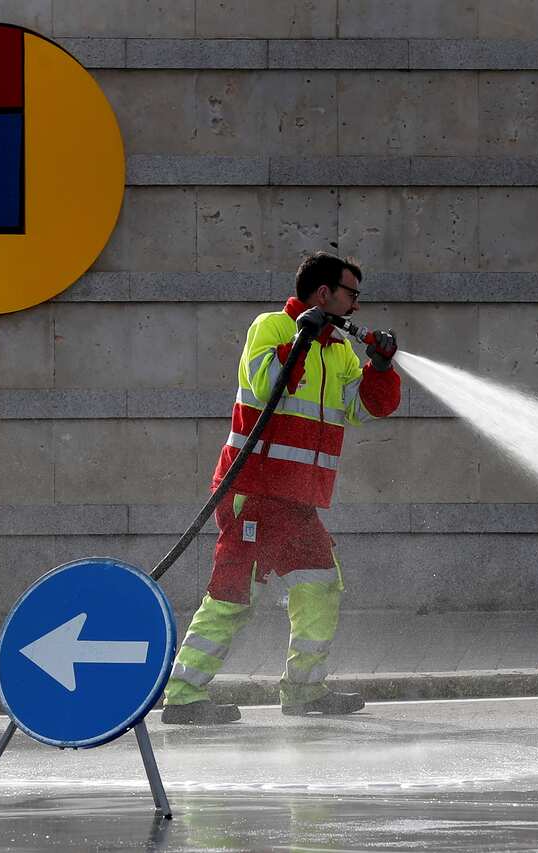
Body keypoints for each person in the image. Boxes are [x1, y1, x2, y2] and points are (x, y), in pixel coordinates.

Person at [161, 251, 400, 724]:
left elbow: (365, 409)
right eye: (351, 294)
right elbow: (269, 383)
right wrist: (304, 338)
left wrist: (380, 368)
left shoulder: (341, 351)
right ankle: (183, 695)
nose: (356, 307)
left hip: (297, 501)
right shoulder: (270, 327)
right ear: (324, 293)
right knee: (232, 592)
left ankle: (304, 692)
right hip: (253, 489)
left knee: (321, 586)